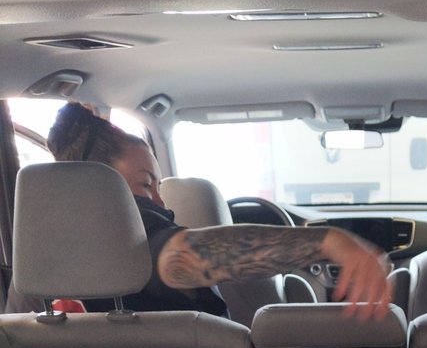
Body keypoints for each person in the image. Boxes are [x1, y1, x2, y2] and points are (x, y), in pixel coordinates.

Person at [9, 102, 391, 319]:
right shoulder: (126, 232)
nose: (160, 203)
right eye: (145, 183)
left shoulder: (34, 269)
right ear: (98, 183)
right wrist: (326, 242)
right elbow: (185, 257)